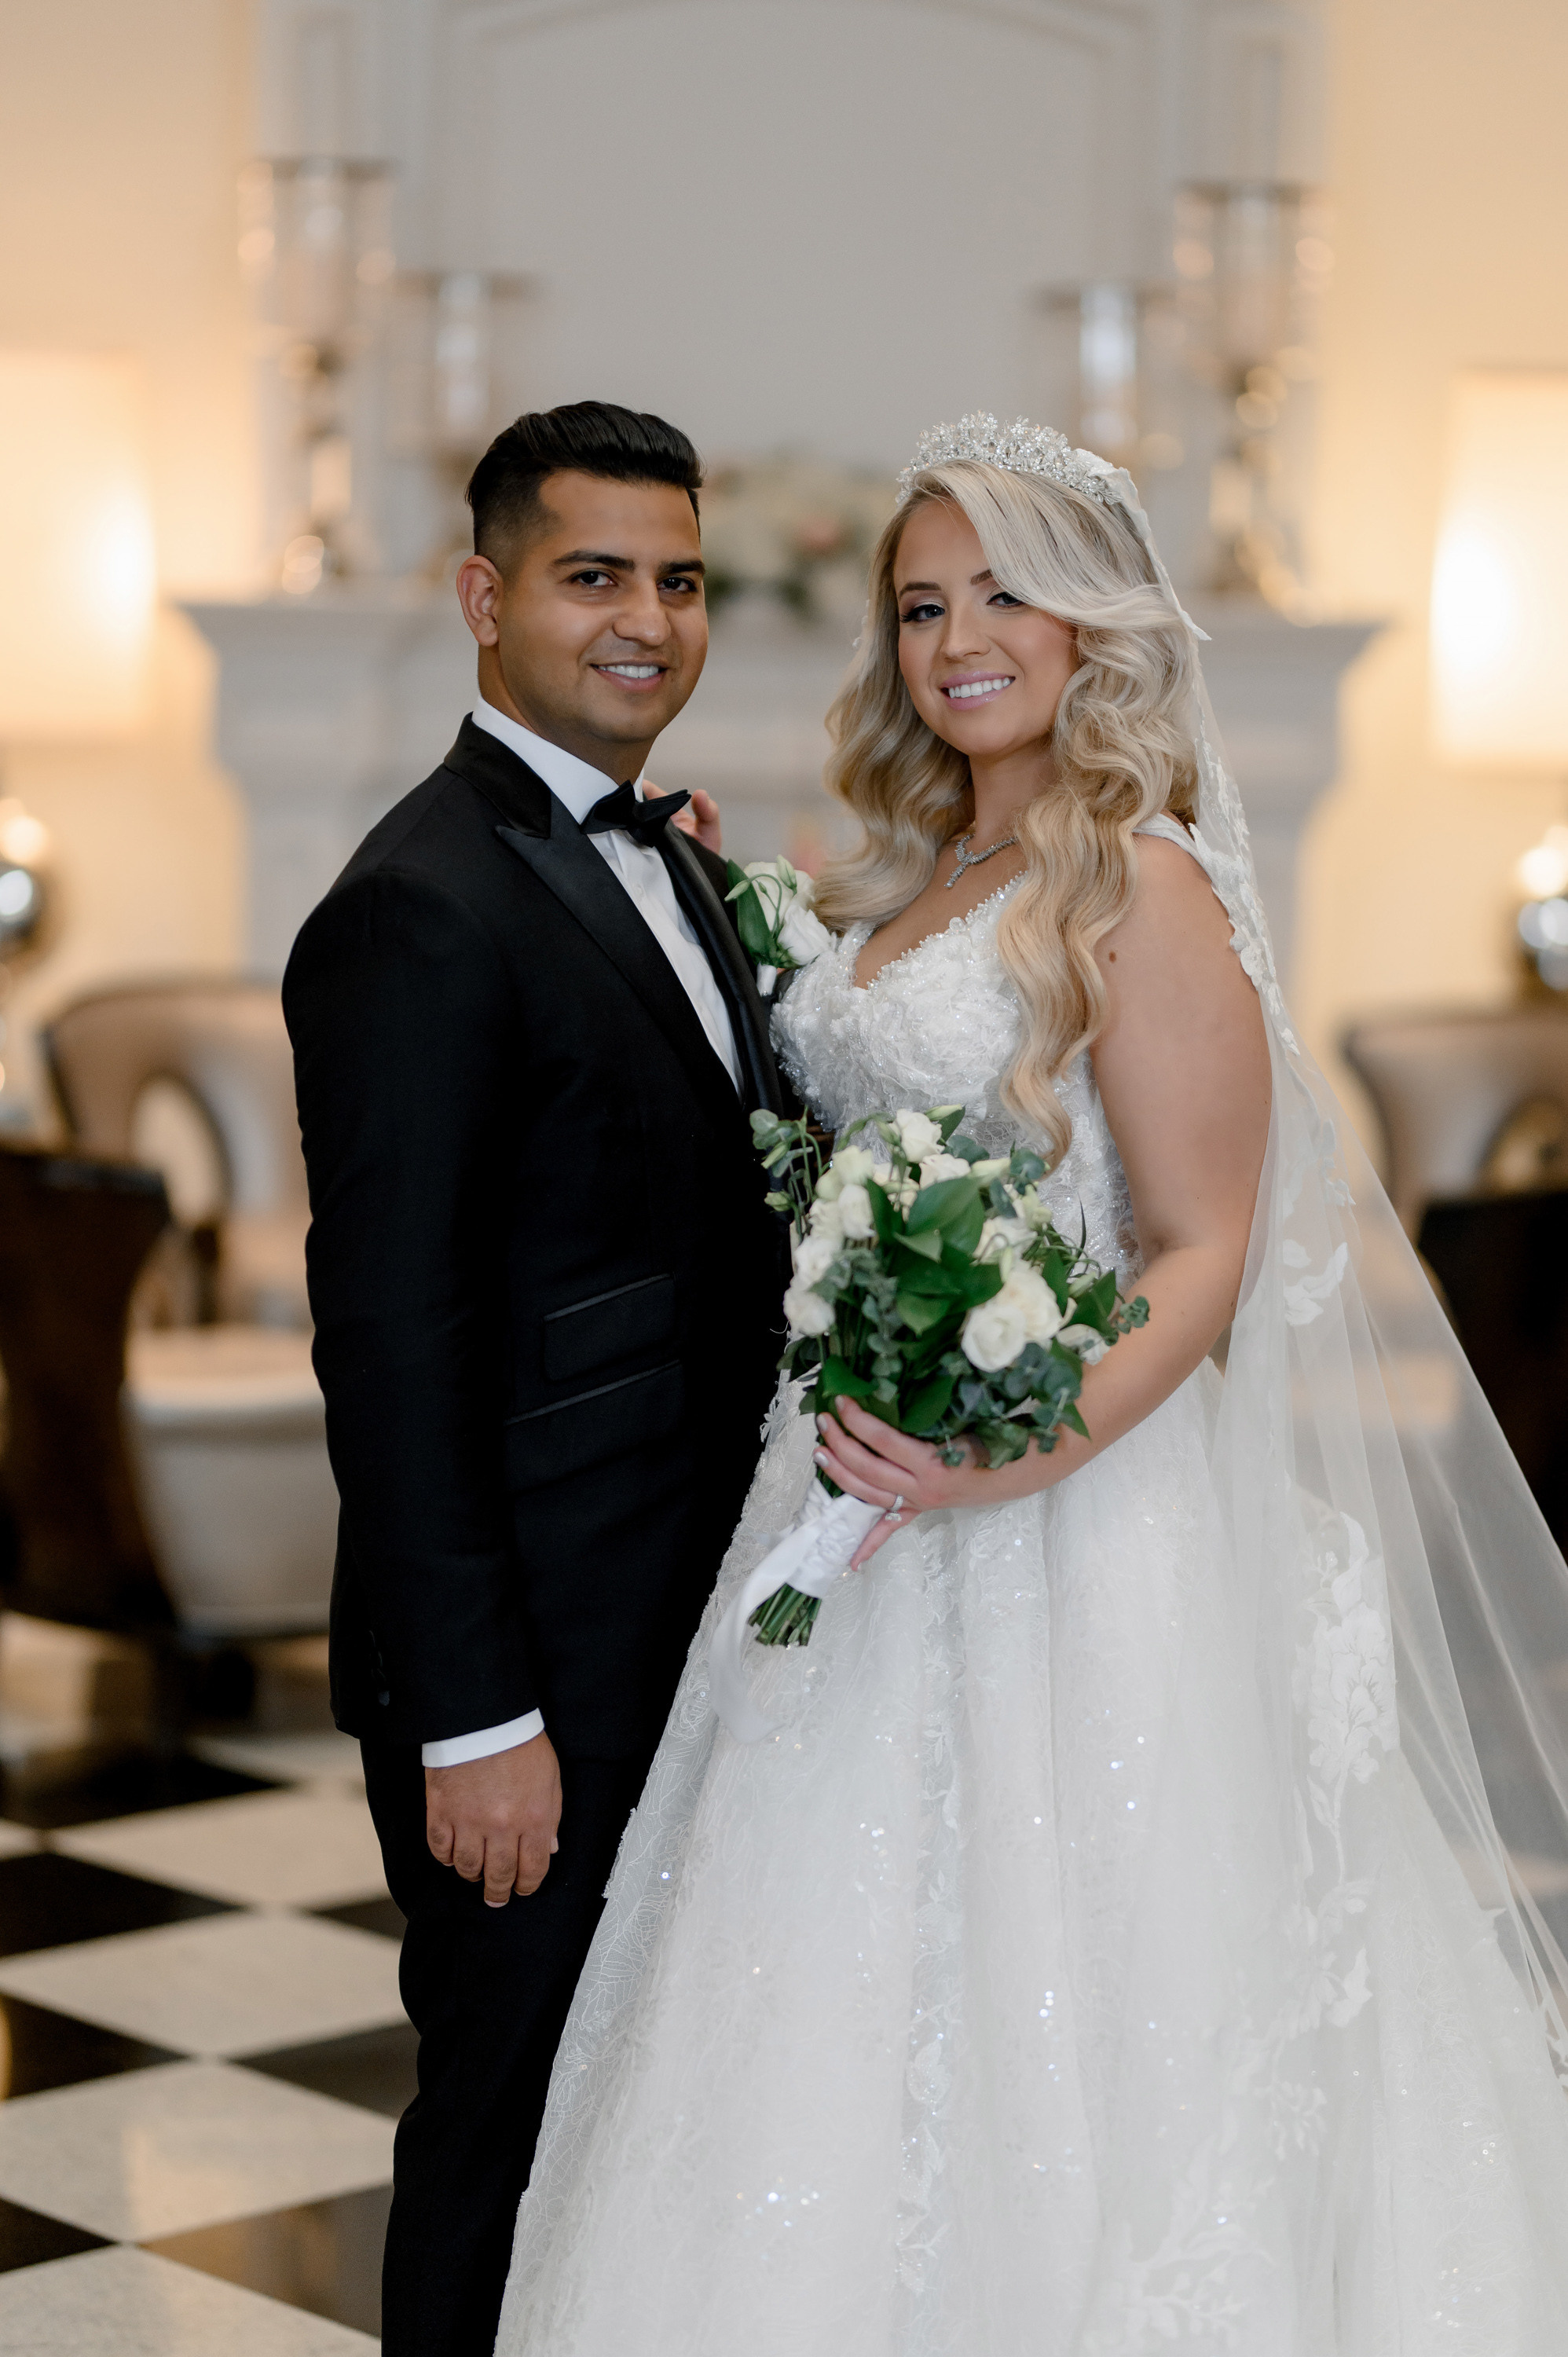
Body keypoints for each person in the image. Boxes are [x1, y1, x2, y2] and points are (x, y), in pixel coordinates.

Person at [496, 417, 1568, 2353]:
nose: (955, 637)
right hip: (846, 1511)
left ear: (1098, 625)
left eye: (1003, 590)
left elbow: (1200, 1255)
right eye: (920, 603)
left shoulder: (1136, 887)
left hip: (1070, 1525)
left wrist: (1002, 1461)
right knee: (817, 2004)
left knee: (1067, 2016)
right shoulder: (928, 870)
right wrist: (754, 926)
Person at [283, 400, 786, 2357]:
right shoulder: (419, 905)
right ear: (484, 597)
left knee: (638, 2115)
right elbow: (390, 1349)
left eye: (676, 578)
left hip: (684, 1612)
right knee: (501, 2123)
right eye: (593, 577)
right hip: (532, 1659)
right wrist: (475, 1712)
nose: (645, 620)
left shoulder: (663, 863)